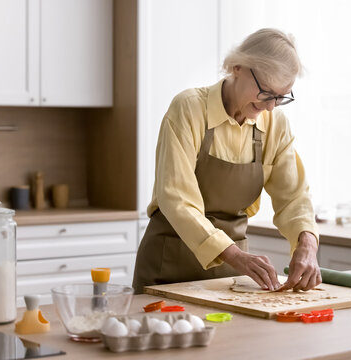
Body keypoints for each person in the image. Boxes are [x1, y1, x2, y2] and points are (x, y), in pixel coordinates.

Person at [133, 28, 321, 294]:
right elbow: (176, 199)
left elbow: (294, 197)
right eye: (267, 92)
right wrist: (234, 255)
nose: (270, 107)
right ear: (237, 67)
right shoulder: (188, 109)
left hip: (229, 278)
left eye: (281, 97)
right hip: (168, 268)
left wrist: (307, 245)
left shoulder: (275, 124)